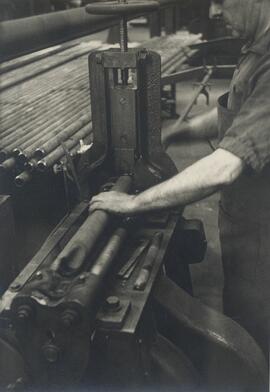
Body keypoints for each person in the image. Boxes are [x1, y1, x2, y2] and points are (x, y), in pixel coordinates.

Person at [89, 0, 270, 356]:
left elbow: (225, 167)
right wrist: (184, 129)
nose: (217, 14)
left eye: (224, 3)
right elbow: (239, 115)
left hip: (263, 234)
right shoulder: (256, 48)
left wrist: (135, 202)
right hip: (244, 223)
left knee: (253, 342)